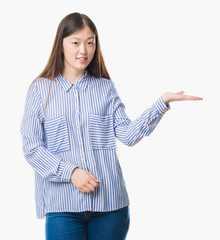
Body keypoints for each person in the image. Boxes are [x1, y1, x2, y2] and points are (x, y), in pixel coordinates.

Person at [20, 12, 203, 240]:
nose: (83, 51)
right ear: (61, 45)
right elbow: (32, 147)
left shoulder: (105, 89)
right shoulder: (40, 89)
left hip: (110, 206)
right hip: (62, 207)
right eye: (75, 43)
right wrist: (71, 173)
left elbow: (127, 135)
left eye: (90, 43)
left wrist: (162, 103)